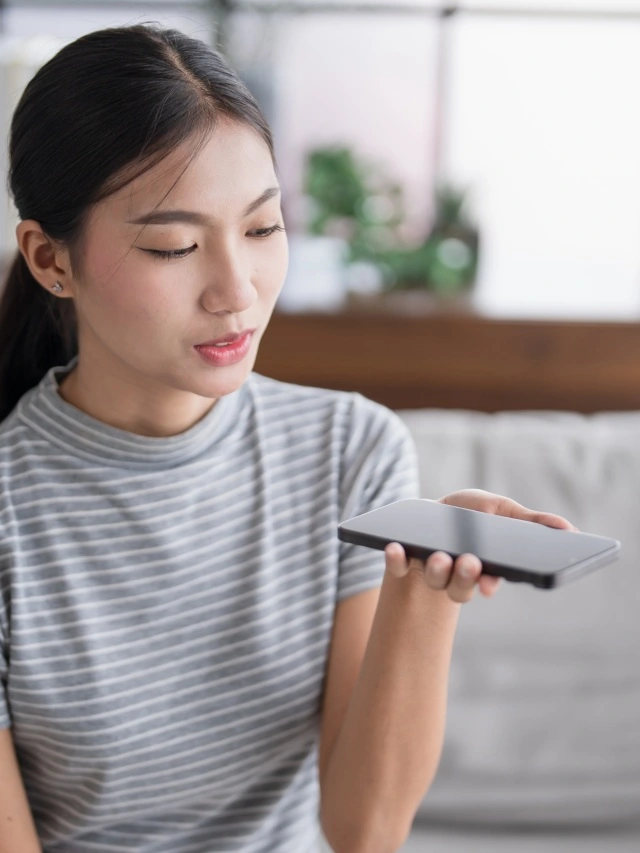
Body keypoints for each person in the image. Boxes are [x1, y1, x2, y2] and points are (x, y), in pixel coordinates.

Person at [0, 23, 575, 853]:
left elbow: (364, 832)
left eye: (264, 229)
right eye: (175, 245)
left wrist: (421, 593)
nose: (237, 290)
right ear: (51, 258)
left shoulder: (350, 448)